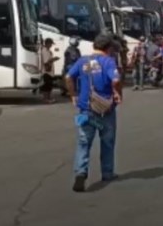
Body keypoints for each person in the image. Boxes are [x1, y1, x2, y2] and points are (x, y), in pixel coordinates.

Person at [64, 33, 123, 193]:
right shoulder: (108, 61)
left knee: (84, 142)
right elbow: (116, 80)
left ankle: (80, 173)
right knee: (107, 141)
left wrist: (73, 95)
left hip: (86, 109)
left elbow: (68, 77)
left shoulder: (82, 61)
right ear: (109, 48)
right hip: (105, 109)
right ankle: (107, 173)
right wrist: (118, 94)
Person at [39, 38, 59, 103]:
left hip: (49, 71)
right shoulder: (44, 51)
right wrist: (54, 59)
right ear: (47, 43)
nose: (51, 45)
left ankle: (48, 98)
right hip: (46, 71)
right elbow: (46, 61)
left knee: (49, 86)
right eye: (50, 44)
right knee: (46, 86)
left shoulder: (48, 51)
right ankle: (46, 99)